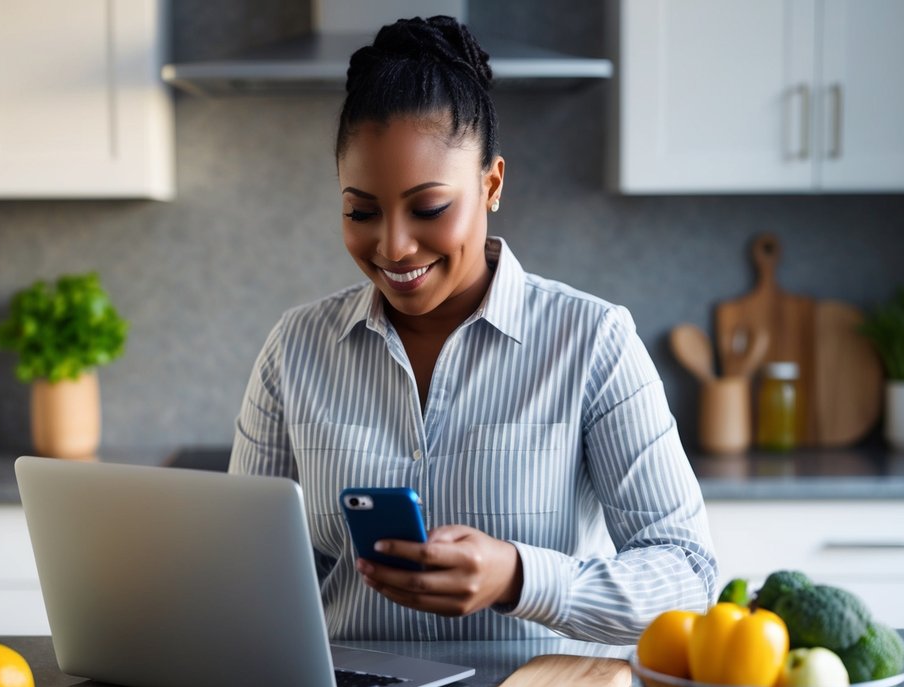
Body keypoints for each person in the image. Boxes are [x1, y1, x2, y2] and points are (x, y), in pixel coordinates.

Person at [229, 16, 715, 643]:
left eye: (429, 208)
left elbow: (689, 578)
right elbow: (247, 579)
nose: (394, 246)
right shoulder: (294, 349)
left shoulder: (594, 341)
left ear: (491, 185)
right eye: (361, 211)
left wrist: (519, 577)